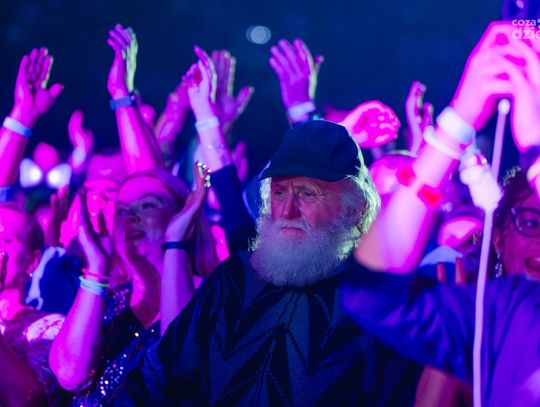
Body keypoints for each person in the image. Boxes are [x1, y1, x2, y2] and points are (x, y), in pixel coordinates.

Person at [342, 21, 540, 406]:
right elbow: (371, 294)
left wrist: (536, 154)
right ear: (499, 235)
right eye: (532, 222)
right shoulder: (501, 311)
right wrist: (455, 126)